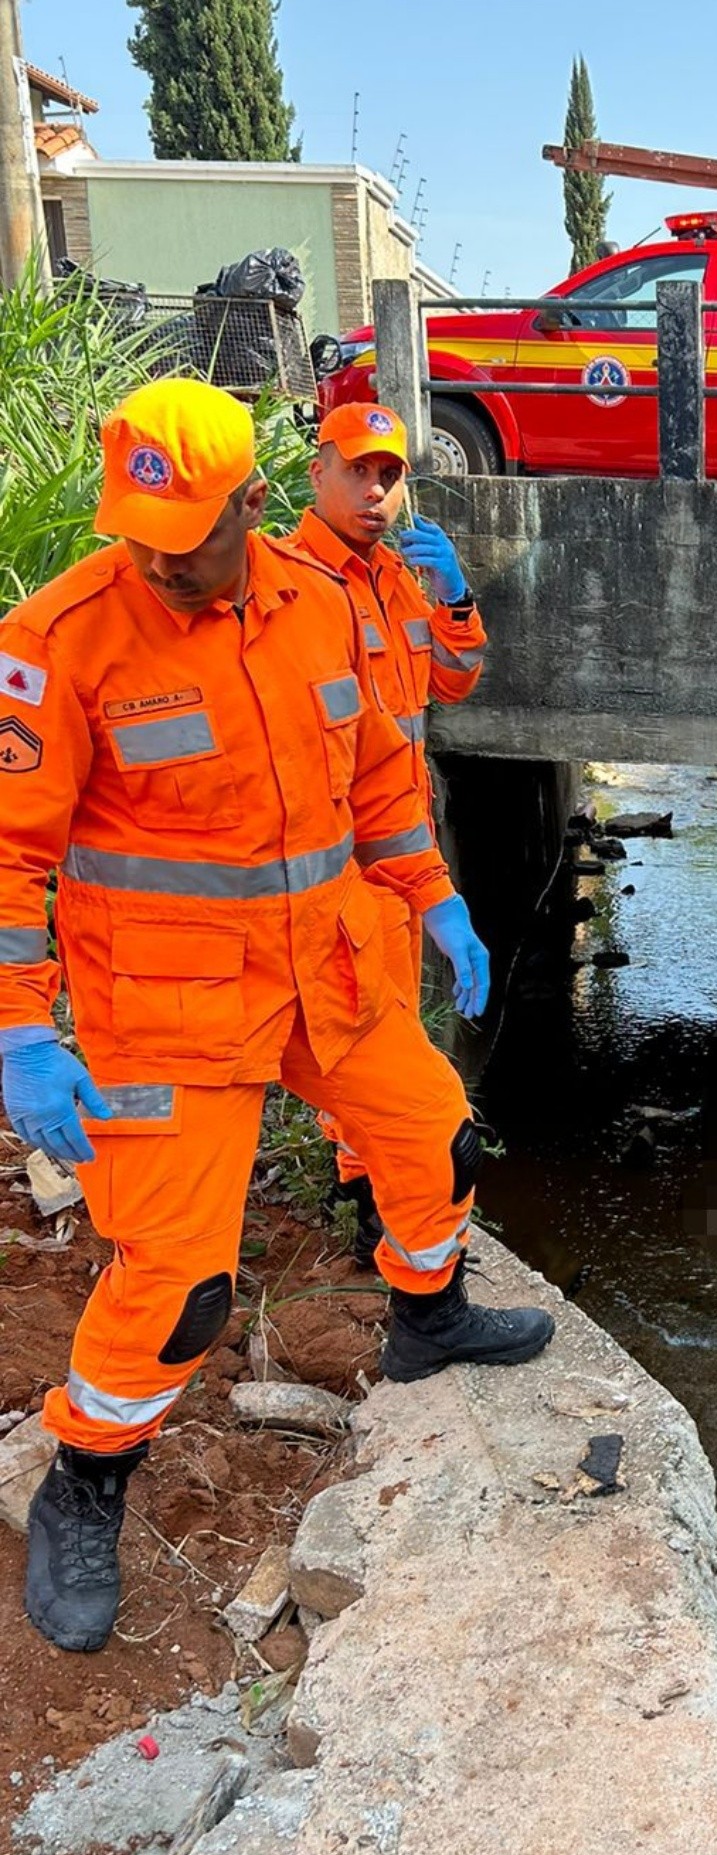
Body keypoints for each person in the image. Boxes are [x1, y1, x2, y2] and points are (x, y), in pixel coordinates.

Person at [0, 378, 554, 1655]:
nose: (160, 558)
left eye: (187, 533)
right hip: (168, 1017)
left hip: (334, 976)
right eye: (140, 533)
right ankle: (82, 1478)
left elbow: (378, 781)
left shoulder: (323, 609)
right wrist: (22, 1028)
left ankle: (428, 1319)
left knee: (437, 1146)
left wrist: (435, 899)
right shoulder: (58, 640)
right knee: (182, 1282)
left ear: (249, 503)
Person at [287, 404, 486, 1267]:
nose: (375, 490)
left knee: (388, 1026)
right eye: (358, 470)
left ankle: (373, 1190)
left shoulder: (398, 578)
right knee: (365, 1040)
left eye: (389, 475)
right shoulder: (289, 583)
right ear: (316, 473)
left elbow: (454, 682)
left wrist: (457, 598)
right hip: (341, 866)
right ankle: (371, 1205)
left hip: (400, 847)